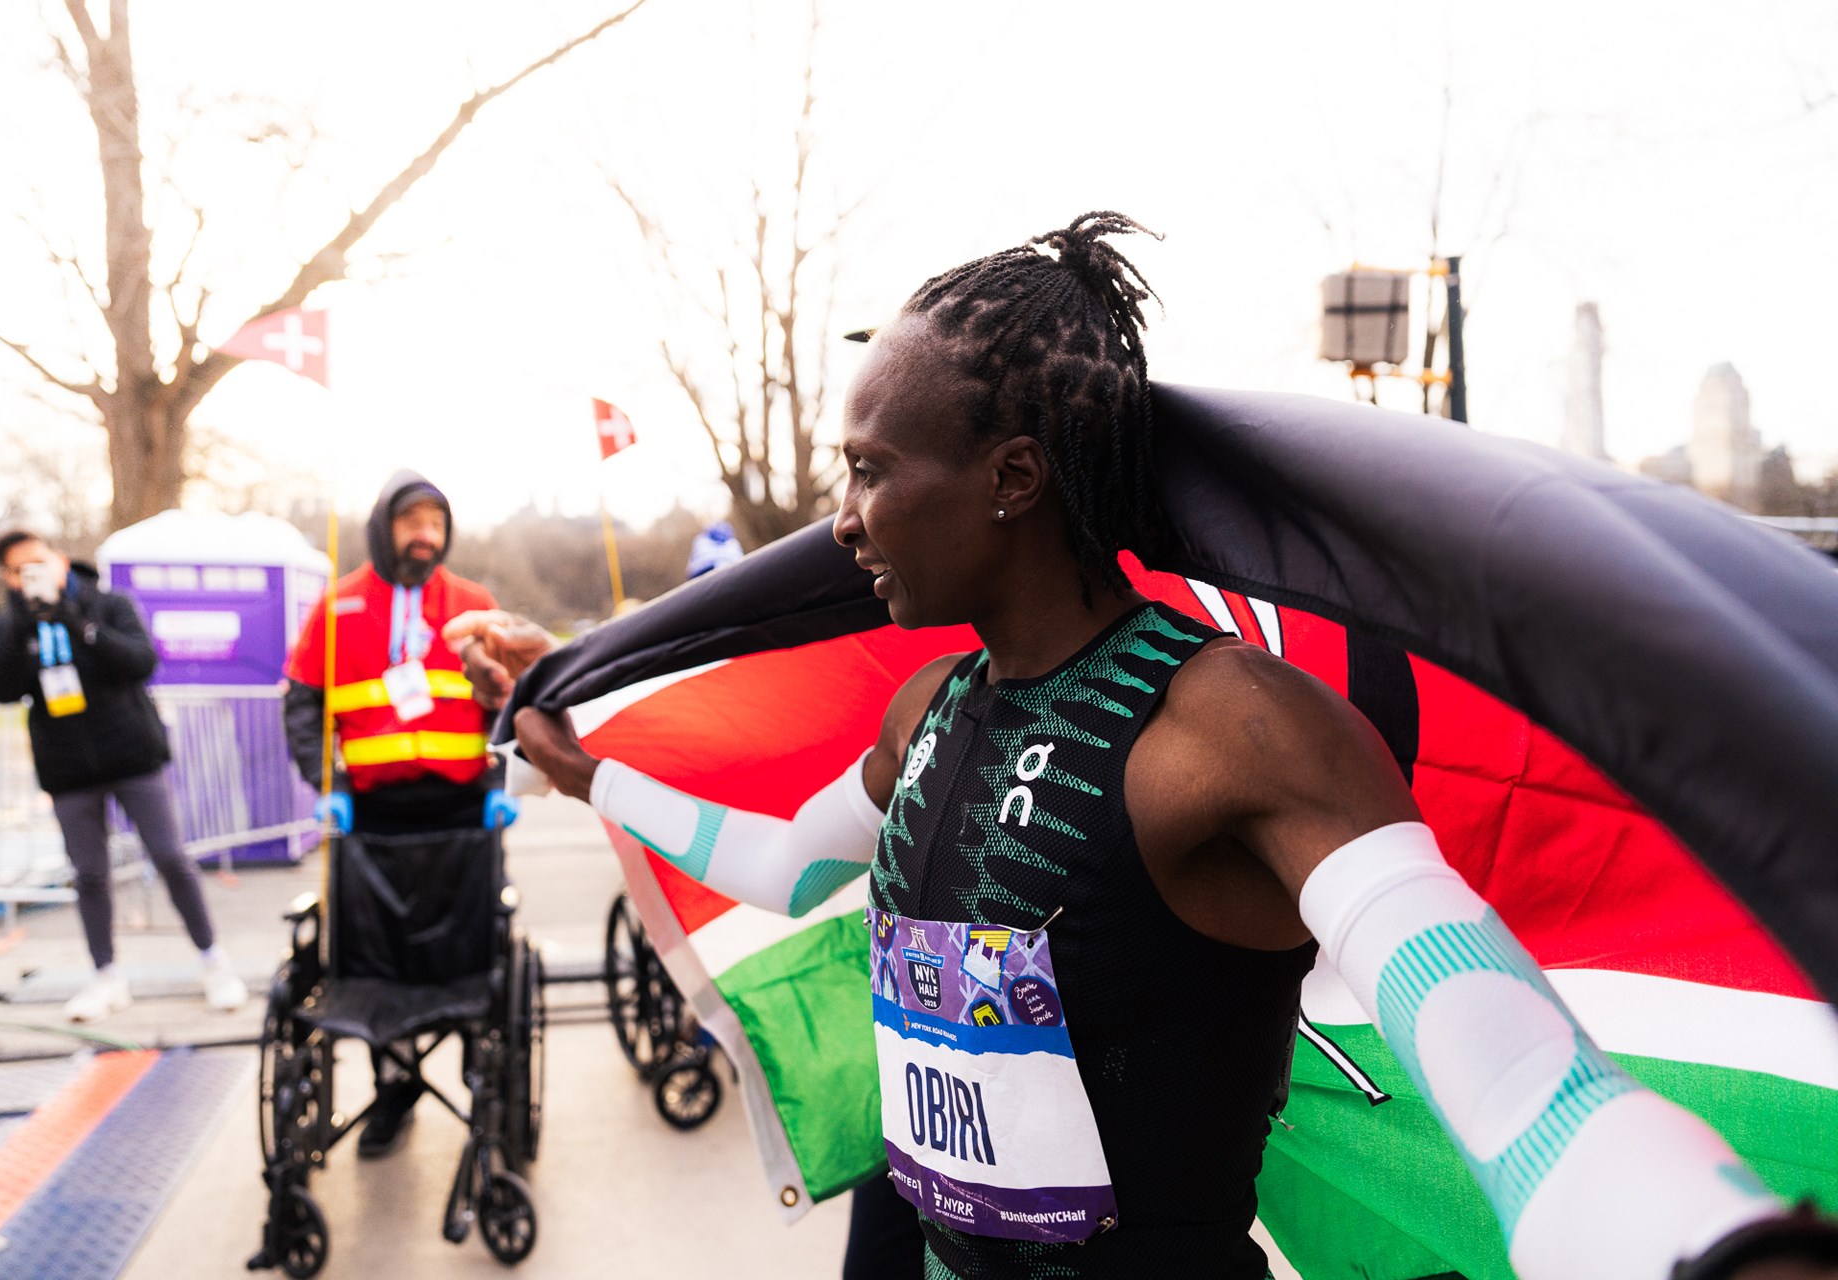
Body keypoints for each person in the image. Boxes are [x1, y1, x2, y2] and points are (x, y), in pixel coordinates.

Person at [457, 215, 1838, 1280]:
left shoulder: (1237, 729)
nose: (847, 524)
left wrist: (1706, 1247)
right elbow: (786, 871)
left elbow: (1517, 1069)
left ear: (1010, 479)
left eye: (873, 471)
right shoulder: (925, 711)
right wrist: (597, 776)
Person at [282, 470, 516, 1158]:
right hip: (372, 815)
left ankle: (484, 1080)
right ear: (383, 527)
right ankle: (394, 1089)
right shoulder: (339, 606)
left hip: (465, 811)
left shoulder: (474, 604)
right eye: (413, 523)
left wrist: (506, 775)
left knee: (472, 952)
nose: (426, 536)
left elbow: (506, 701)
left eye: (436, 524)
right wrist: (323, 783)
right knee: (379, 961)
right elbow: (301, 704)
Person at [0, 531, 245, 1022]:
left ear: (60, 561)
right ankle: (105, 975)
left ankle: (213, 958)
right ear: (7, 578)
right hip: (67, 769)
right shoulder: (9, 625)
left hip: (131, 757)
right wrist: (23, 622)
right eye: (18, 571)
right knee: (89, 874)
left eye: (37, 564)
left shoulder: (108, 605)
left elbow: (141, 661)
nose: (29, 576)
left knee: (170, 856)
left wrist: (74, 621)